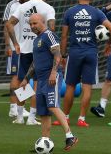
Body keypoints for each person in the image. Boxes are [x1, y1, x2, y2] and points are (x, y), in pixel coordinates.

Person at [53, 0, 111, 127]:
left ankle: (66, 118)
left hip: (74, 53)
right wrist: (109, 44)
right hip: (91, 53)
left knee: (70, 86)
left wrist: (62, 55)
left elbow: (63, 36)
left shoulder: (70, 12)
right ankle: (81, 119)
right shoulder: (97, 12)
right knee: (87, 87)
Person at [21, 13, 78, 151]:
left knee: (52, 105)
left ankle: (70, 136)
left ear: (43, 22)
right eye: (30, 24)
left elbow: (57, 54)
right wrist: (26, 78)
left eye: (35, 23)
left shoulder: (49, 35)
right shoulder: (36, 40)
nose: (32, 26)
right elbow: (35, 62)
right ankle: (44, 143)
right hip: (40, 80)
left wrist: (53, 72)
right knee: (44, 112)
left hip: (51, 77)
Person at [6, 0, 55, 125]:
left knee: (23, 82)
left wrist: (15, 43)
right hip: (40, 50)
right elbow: (52, 29)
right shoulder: (48, 8)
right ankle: (32, 118)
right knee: (38, 84)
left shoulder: (23, 7)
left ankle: (20, 116)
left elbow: (9, 24)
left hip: (23, 49)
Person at [3, 0, 32, 118]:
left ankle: (21, 107)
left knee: (26, 77)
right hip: (16, 47)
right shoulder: (12, 5)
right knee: (16, 76)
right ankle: (13, 107)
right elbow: (6, 26)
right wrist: (8, 45)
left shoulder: (33, 5)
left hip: (29, 47)